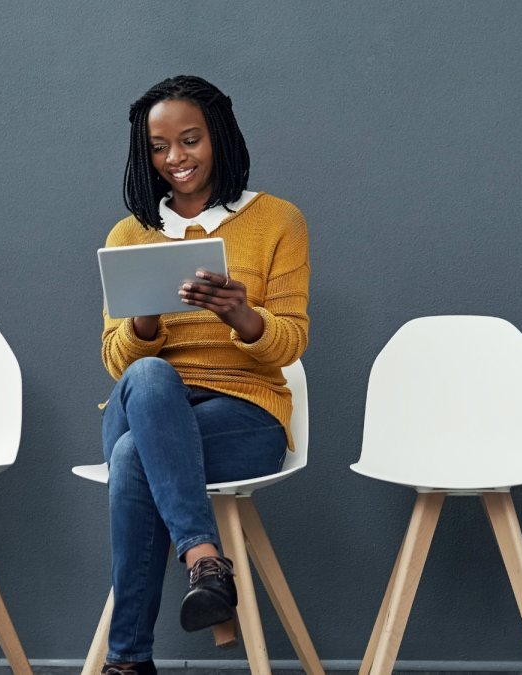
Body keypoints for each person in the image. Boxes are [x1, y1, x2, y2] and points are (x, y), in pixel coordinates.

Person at [97, 75, 310, 675]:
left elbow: (291, 341)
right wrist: (145, 316)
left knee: (140, 456)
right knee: (152, 380)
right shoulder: (129, 234)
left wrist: (241, 313)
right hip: (143, 400)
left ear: (218, 136)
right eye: (159, 148)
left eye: (189, 141)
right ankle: (205, 558)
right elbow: (117, 361)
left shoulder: (277, 221)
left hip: (243, 413)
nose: (175, 159)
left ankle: (128, 662)